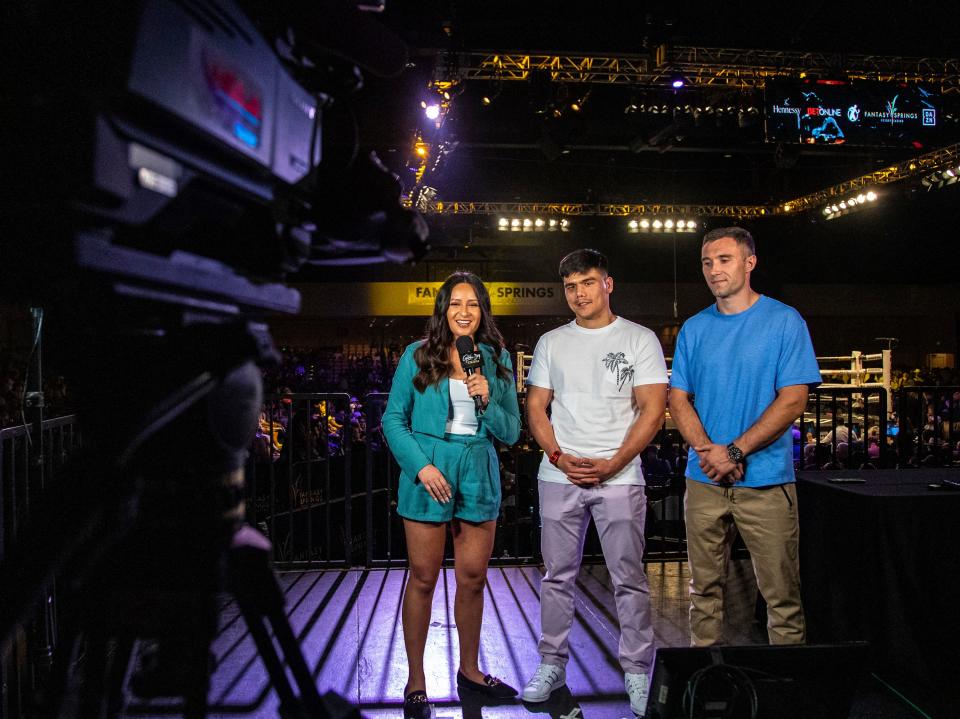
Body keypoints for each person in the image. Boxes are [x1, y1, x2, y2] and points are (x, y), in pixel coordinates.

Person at [521, 249, 668, 716]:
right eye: (570, 286)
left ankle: (638, 672)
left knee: (629, 579)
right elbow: (535, 408)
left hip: (620, 477)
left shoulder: (639, 338)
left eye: (587, 282)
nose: (579, 293)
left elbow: (653, 409)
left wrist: (614, 462)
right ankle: (551, 664)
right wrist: (561, 458)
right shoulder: (551, 342)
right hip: (558, 475)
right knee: (556, 578)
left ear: (608, 283)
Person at [668, 226, 821, 647]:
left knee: (782, 598)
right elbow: (678, 399)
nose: (714, 270)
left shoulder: (784, 321)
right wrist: (709, 453)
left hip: (767, 482)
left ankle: (786, 691)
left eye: (724, 259)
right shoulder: (694, 329)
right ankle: (705, 686)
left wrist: (734, 451)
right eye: (706, 262)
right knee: (703, 592)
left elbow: (793, 400)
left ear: (749, 263)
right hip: (704, 479)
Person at [382, 272, 522, 718]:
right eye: (455, 304)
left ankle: (470, 670)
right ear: (443, 310)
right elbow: (392, 421)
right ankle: (416, 681)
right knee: (422, 578)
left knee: (473, 579)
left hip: (478, 471)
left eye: (474, 304)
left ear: (483, 312)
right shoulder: (417, 356)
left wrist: (490, 399)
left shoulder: (496, 359)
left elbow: (511, 431)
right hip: (429, 472)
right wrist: (421, 467)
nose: (464, 312)